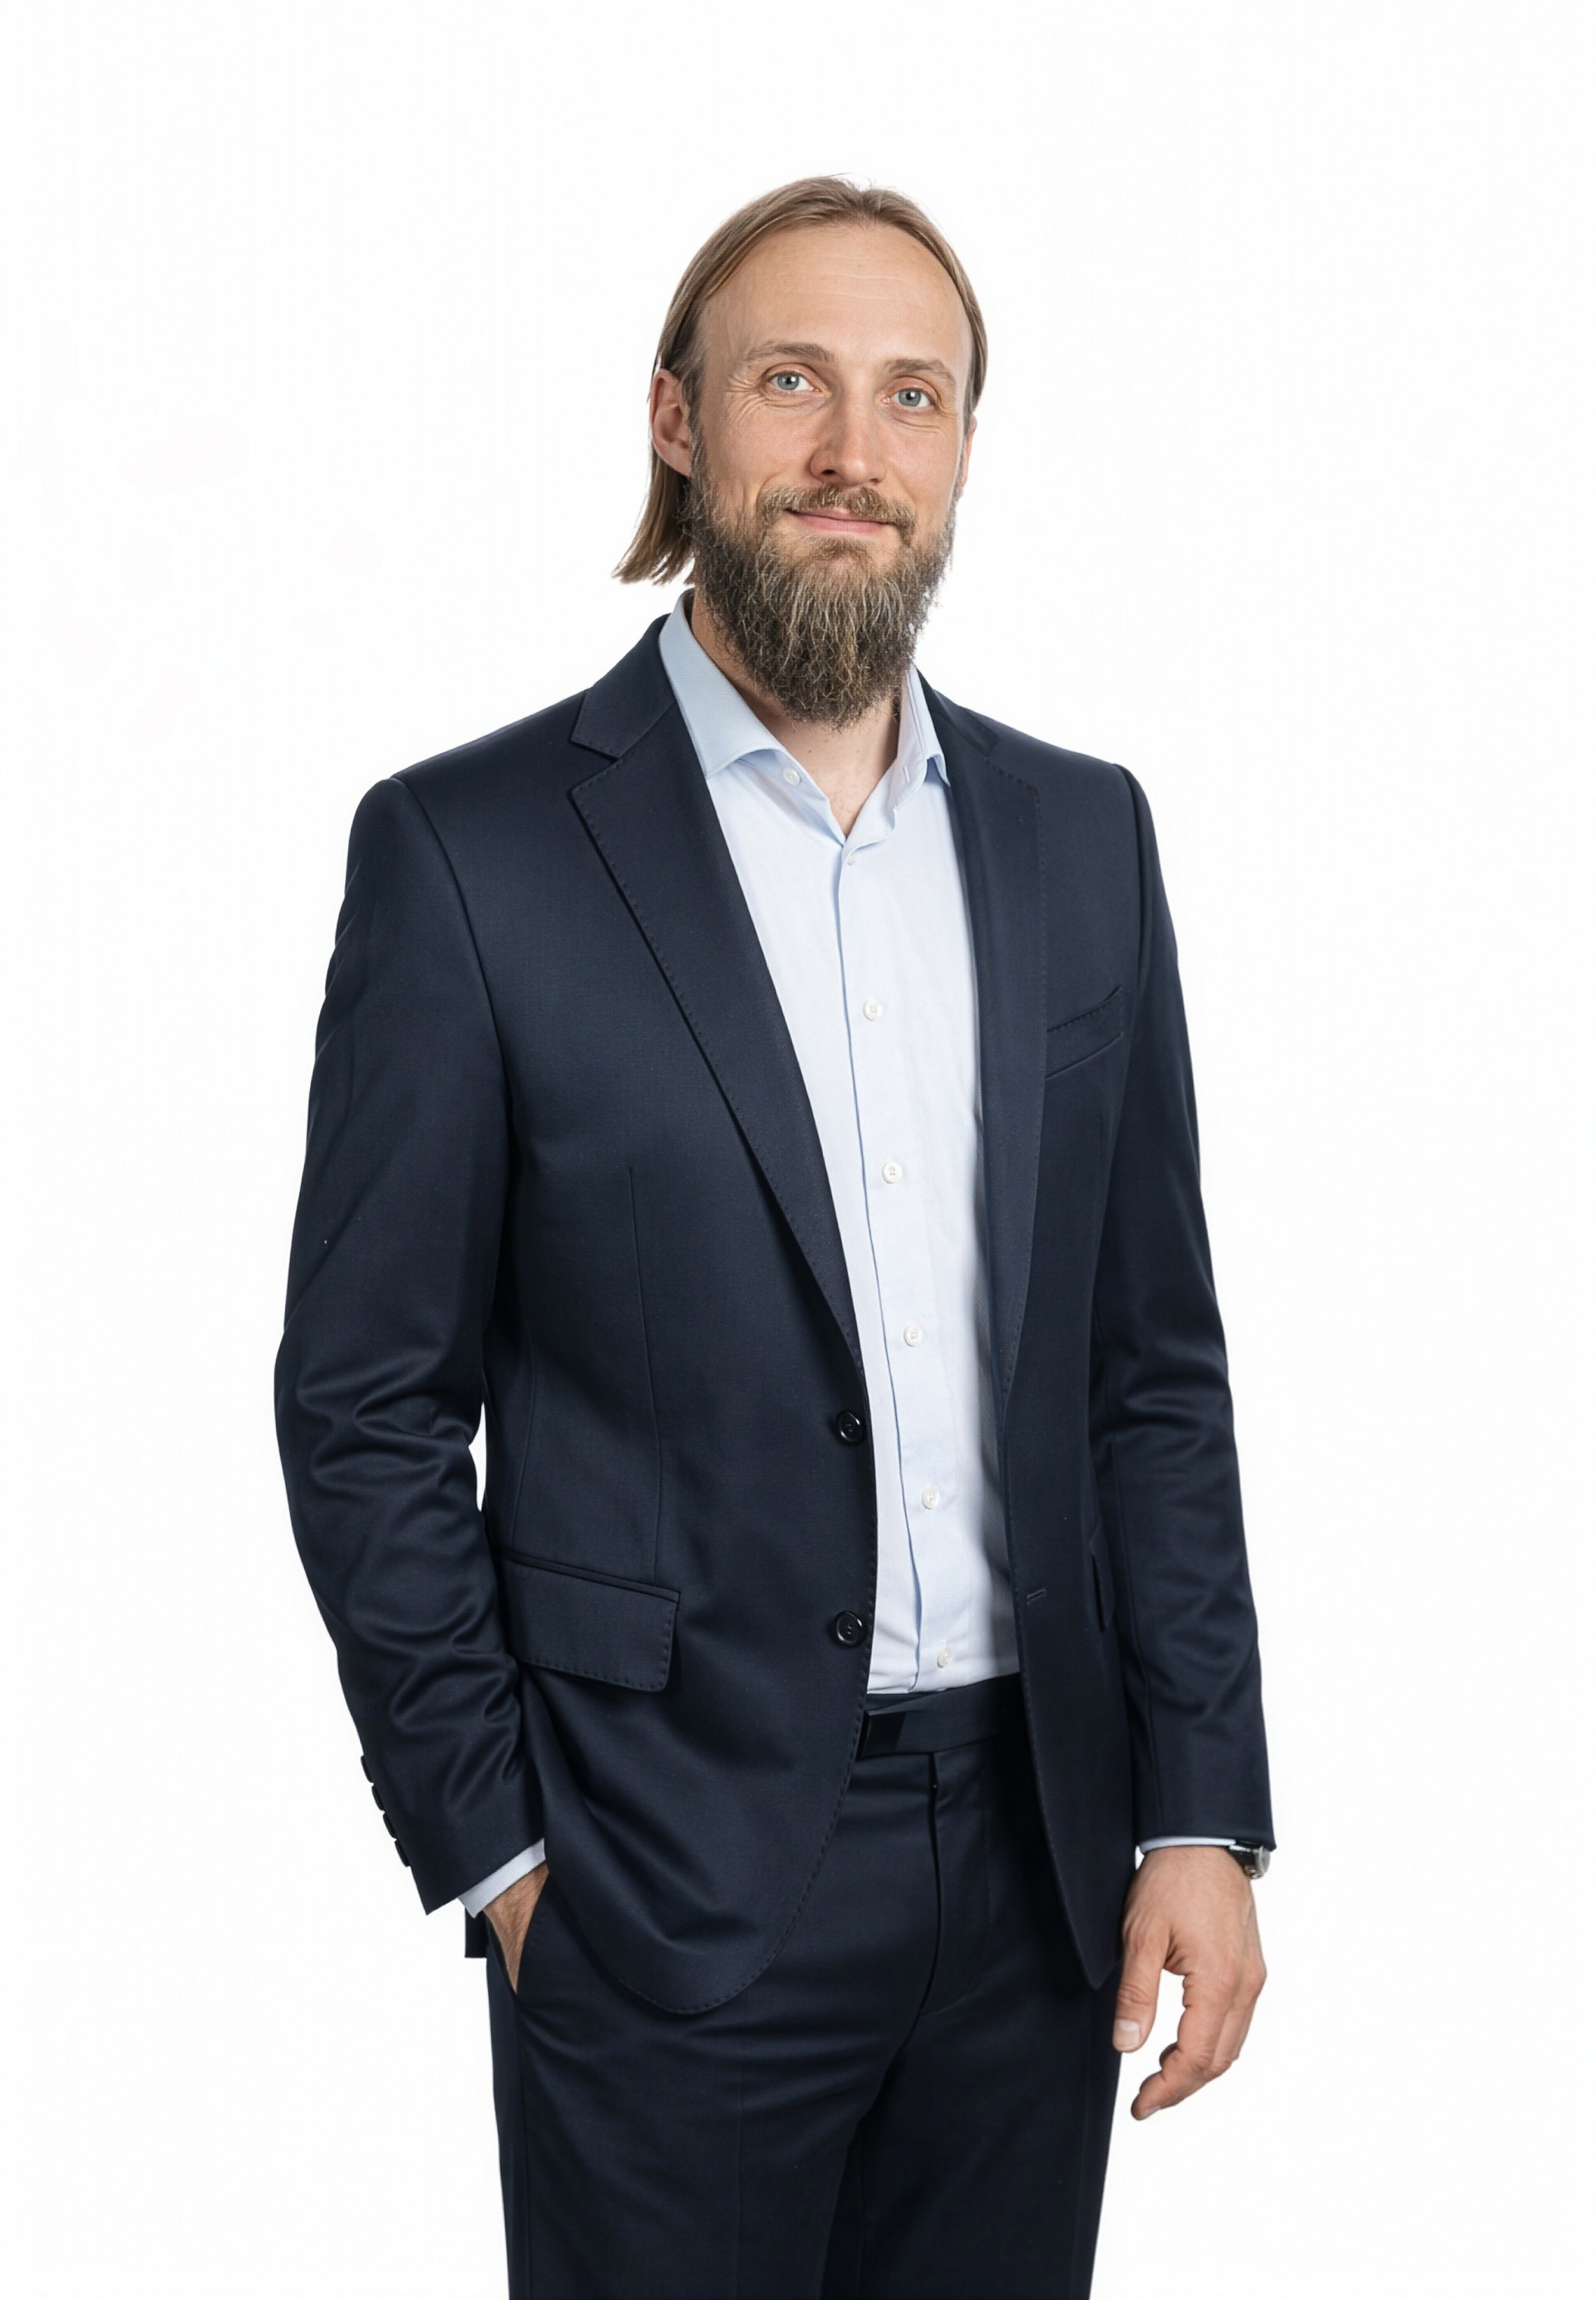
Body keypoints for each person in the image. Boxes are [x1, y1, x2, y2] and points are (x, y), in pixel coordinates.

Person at [275, 175, 1273, 2300]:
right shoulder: (468, 854)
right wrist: (501, 1849)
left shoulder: (1083, 838)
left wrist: (1200, 1809)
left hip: (1041, 1873)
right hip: (655, 1877)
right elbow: (365, 1400)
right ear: (678, 419)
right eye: (790, 382)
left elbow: (1150, 1372)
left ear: (964, 448)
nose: (852, 449)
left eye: (913, 395)